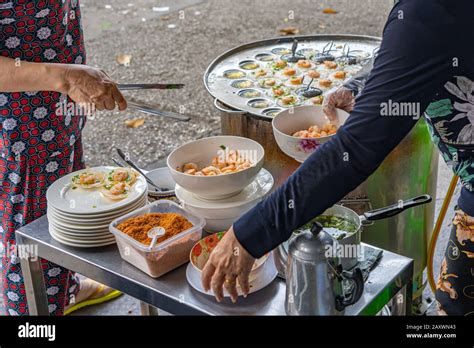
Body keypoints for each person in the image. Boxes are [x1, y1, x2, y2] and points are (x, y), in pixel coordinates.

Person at [202, 0, 474, 315]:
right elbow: (428, 47)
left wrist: (248, 234)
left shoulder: (426, 11)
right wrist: (363, 86)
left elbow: (355, 149)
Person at [0, 0, 126, 315]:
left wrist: (70, 80)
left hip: (58, 109)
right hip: (21, 129)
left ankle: (65, 289)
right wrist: (66, 77)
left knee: (64, 214)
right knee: (28, 240)